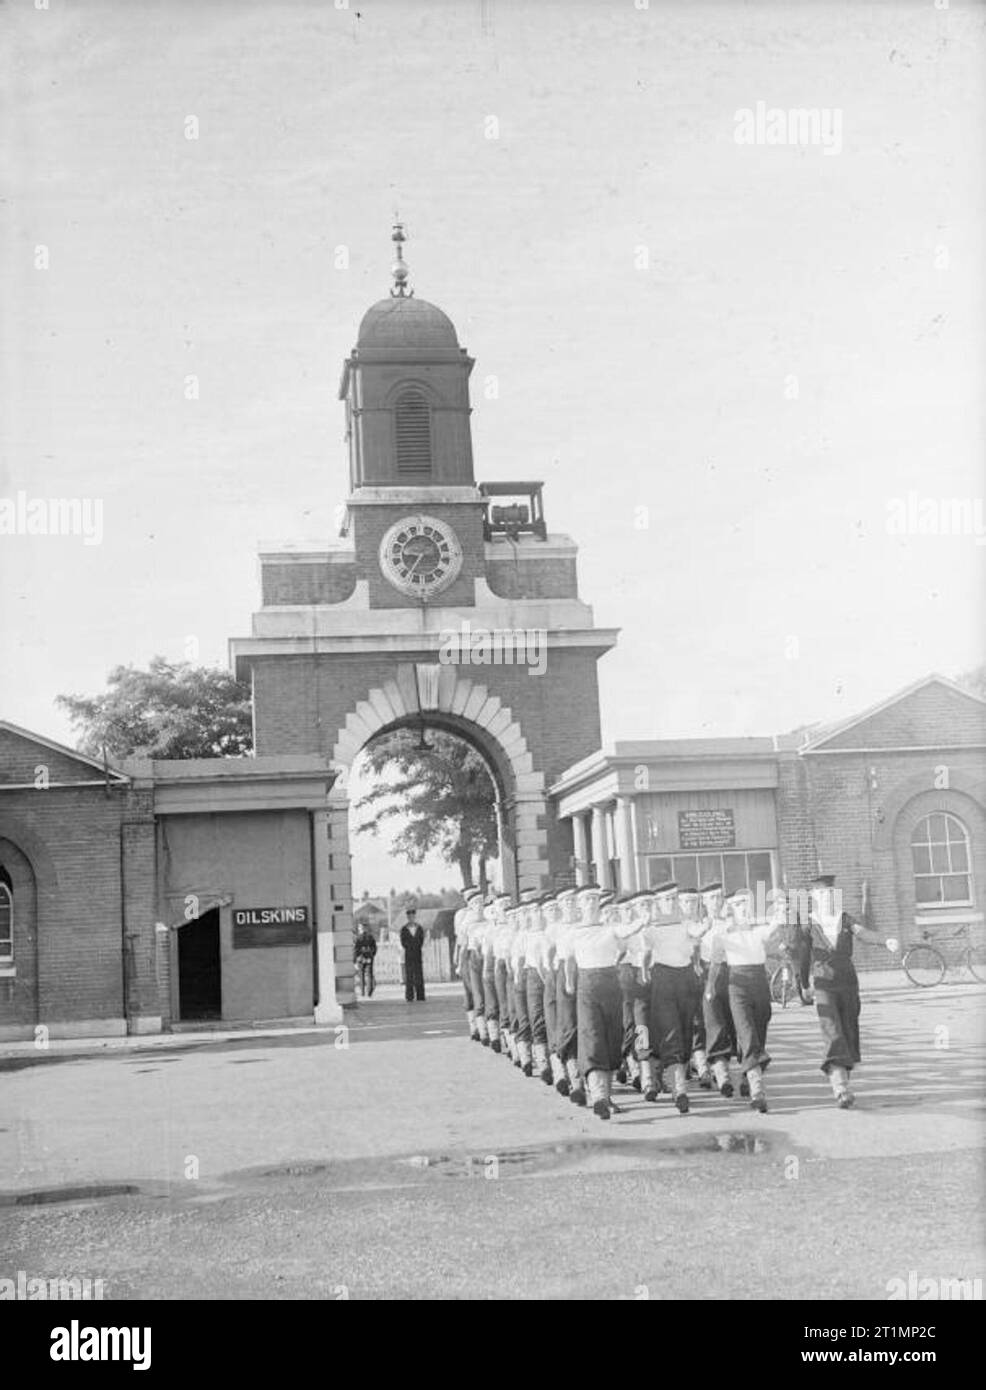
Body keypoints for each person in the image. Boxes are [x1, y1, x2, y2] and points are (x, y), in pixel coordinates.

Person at [805, 874, 899, 1108]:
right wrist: (803, 984)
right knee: (832, 1030)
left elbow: (864, 933)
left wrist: (885, 941)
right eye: (821, 895)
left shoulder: (844, 919)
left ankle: (844, 1082)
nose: (826, 899)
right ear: (813, 898)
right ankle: (840, 1088)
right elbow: (800, 955)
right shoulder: (807, 923)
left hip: (847, 981)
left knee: (848, 1030)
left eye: (829, 894)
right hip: (823, 982)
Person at [572, 884, 644, 1120]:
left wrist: (643, 919)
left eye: (595, 899)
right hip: (587, 986)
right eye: (587, 900)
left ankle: (606, 1096)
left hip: (610, 984)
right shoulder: (573, 932)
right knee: (592, 1037)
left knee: (612, 1039)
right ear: (580, 905)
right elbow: (563, 960)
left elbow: (626, 935)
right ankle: (599, 1097)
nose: (591, 903)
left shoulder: (610, 929)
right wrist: (569, 984)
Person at [717, 887, 784, 1113]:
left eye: (747, 903)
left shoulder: (759, 930)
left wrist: (781, 902)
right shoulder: (723, 931)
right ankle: (758, 1091)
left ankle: (749, 1074)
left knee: (759, 1028)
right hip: (736, 983)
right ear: (730, 909)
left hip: (759, 982)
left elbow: (777, 924)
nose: (744, 908)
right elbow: (710, 951)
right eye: (738, 904)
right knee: (746, 1033)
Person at [647, 881, 700, 1114]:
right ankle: (674, 1087)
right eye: (666, 900)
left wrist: (705, 927)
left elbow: (696, 934)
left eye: (673, 899)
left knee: (685, 1031)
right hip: (662, 980)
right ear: (657, 903)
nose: (671, 903)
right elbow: (640, 948)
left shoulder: (686, 924)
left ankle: (664, 1075)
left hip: (685, 979)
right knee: (664, 1032)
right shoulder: (651, 927)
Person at [554, 887, 586, 1106]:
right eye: (565, 902)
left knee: (588, 1027)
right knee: (569, 1026)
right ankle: (574, 1080)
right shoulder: (554, 929)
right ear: (560, 906)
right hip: (565, 975)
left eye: (573, 901)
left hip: (588, 973)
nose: (570, 905)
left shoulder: (586, 924)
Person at [454, 887, 484, 1040]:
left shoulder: (484, 915)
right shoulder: (461, 916)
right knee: (469, 991)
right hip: (466, 955)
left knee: (480, 991)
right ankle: (474, 1027)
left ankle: (482, 1027)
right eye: (468, 896)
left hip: (480, 955)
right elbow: (459, 942)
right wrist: (457, 961)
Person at [400, 907, 426, 1002]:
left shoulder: (419, 928)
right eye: (409, 916)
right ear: (407, 917)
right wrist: (410, 946)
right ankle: (409, 996)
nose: (411, 918)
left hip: (417, 954)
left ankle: (420, 995)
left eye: (413, 916)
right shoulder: (404, 929)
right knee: (409, 975)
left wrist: (416, 946)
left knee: (419, 974)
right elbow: (403, 942)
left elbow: (421, 940)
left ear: (415, 917)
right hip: (408, 954)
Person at [354, 922, 378, 998]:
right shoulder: (370, 937)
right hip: (368, 958)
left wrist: (357, 958)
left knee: (362, 976)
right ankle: (369, 992)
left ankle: (363, 992)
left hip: (361, 959)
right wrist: (371, 955)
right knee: (369, 975)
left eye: (360, 928)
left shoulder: (358, 938)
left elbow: (356, 950)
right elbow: (374, 948)